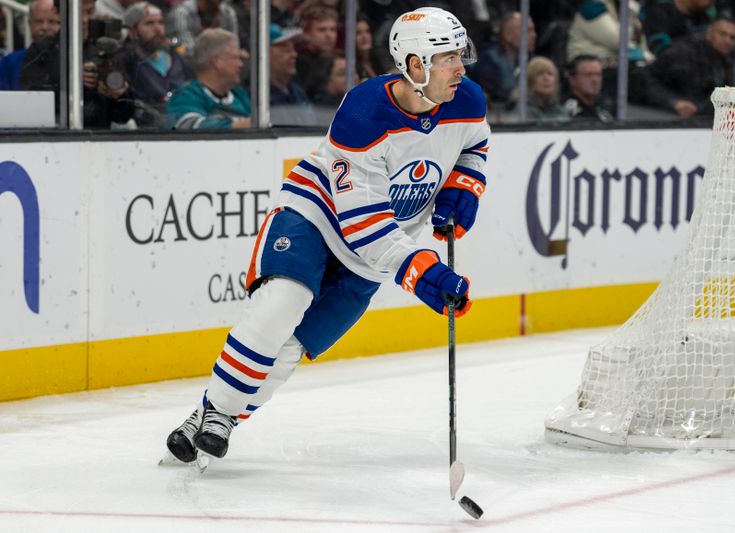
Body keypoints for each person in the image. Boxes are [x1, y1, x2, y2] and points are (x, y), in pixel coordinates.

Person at [164, 6, 490, 465]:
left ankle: (216, 416)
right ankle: (218, 412)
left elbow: (474, 145)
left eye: (461, 54)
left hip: (374, 256)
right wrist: (423, 273)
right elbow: (362, 224)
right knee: (282, 303)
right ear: (415, 65)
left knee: (294, 346)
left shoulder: (468, 99)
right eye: (447, 57)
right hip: (316, 216)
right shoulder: (364, 112)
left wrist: (463, 187)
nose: (461, 67)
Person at [20, 0, 136, 128]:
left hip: (99, 138)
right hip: (54, 137)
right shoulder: (42, 50)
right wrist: (71, 83)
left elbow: (123, 116)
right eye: (78, 13)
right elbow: (32, 100)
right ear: (57, 13)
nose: (85, 19)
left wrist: (118, 94)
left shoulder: (107, 49)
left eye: (89, 11)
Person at [118, 2, 193, 127]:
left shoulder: (177, 59)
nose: (158, 29)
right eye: (149, 23)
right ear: (132, 32)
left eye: (160, 22)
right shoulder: (125, 63)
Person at [643, 17, 735, 118]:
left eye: (732, 37)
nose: (728, 41)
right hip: (666, 117)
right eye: (723, 34)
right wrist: (675, 102)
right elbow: (646, 79)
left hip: (702, 119)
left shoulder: (727, 61)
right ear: (709, 33)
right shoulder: (683, 53)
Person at [167, 28, 249, 128]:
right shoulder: (187, 95)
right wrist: (238, 126)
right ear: (217, 61)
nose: (240, 64)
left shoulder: (239, 95)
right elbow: (188, 129)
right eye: (235, 58)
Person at [469, 11, 536, 109]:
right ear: (508, 35)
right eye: (528, 30)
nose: (534, 35)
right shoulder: (489, 61)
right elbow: (503, 96)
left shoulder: (529, 59)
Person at [0, 0, 60, 91]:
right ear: (29, 23)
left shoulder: (71, 61)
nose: (45, 27)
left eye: (51, 21)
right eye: (38, 21)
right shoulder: (9, 62)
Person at [268, 23, 316, 126]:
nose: (294, 55)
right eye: (285, 50)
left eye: (293, 49)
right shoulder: (258, 96)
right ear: (264, 54)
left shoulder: (297, 91)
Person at [166, 0, 238, 59]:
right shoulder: (182, 12)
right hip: (187, 62)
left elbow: (234, 45)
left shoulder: (227, 12)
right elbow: (187, 50)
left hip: (219, 60)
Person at [562, 54, 614, 122]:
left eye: (598, 74)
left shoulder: (606, 106)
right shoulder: (565, 110)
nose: (595, 80)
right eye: (588, 75)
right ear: (573, 80)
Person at [526, 56, 568, 122]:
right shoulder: (521, 111)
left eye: (550, 74)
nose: (546, 78)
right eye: (540, 74)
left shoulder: (560, 111)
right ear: (530, 79)